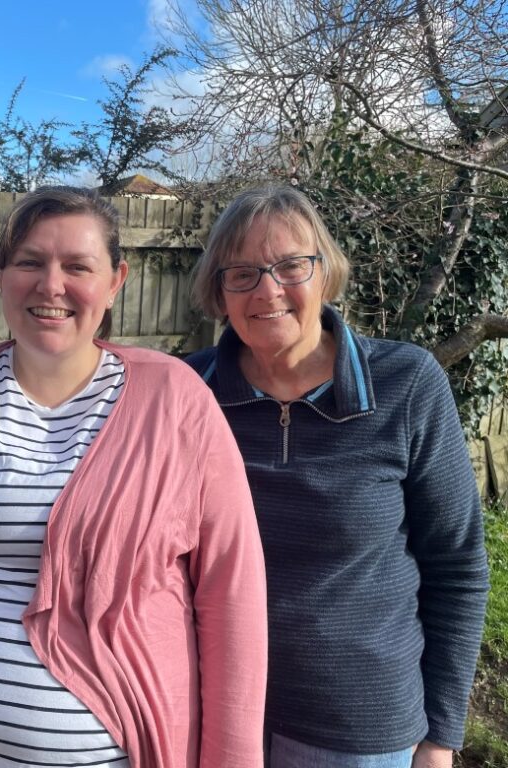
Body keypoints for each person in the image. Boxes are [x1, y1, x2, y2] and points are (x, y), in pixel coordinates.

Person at [0, 186, 268, 768]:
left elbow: (231, 598)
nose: (51, 286)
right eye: (30, 262)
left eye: (78, 267)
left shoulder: (176, 401)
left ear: (115, 281)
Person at [185, 185, 490, 768]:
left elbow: (457, 565)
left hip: (356, 729)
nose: (268, 290)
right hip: (214, 714)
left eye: (290, 266)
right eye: (242, 273)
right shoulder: (188, 393)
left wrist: (442, 736)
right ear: (219, 293)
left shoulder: (406, 384)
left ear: (325, 273)